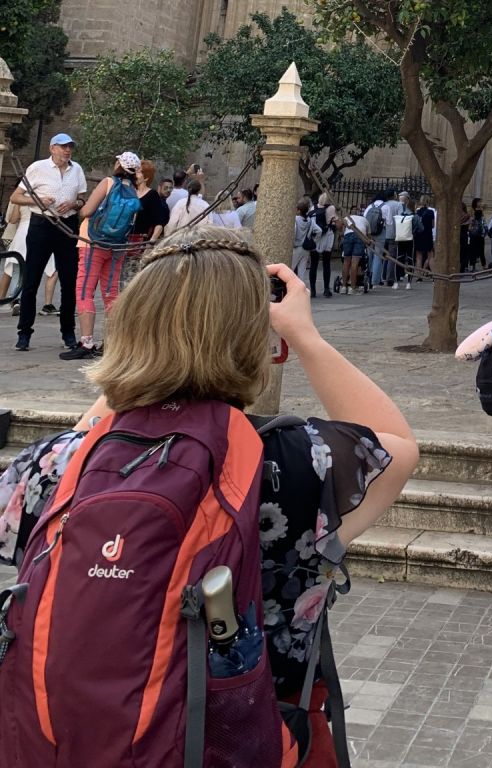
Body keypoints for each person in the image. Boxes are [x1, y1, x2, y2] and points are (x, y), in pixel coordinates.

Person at [0, 225, 419, 765]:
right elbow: (399, 448)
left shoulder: (56, 463)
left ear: (129, 327)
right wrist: (307, 338)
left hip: (66, 744)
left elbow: (91, 439)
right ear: (257, 339)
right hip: (240, 737)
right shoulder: (294, 462)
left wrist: (143, 360)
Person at [63, 150, 144, 361]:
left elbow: (86, 211)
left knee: (84, 291)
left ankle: (87, 342)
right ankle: (113, 343)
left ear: (119, 165)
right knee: (111, 294)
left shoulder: (108, 183)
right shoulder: (134, 191)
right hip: (116, 247)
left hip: (92, 243)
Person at [12, 131, 87, 354]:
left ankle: (68, 332)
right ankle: (24, 332)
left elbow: (83, 198)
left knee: (68, 281)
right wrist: (39, 200)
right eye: (63, 146)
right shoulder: (37, 168)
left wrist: (74, 204)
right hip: (41, 224)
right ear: (52, 148)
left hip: (67, 226)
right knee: (31, 280)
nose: (67, 150)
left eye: (70, 146)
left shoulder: (77, 169)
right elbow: (16, 197)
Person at [132, 160, 170, 250]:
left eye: (138, 172)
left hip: (140, 241)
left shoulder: (152, 195)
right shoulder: (129, 192)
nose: (134, 175)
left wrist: (150, 243)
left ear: (146, 177)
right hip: (122, 239)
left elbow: (159, 223)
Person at [310, 195, 337, 299]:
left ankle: (313, 290)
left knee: (314, 264)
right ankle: (326, 289)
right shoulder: (331, 208)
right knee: (326, 263)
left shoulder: (313, 208)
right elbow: (334, 222)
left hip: (316, 237)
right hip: (327, 236)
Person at [340, 207, 368, 294]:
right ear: (359, 213)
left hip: (348, 236)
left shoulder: (346, 219)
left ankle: (344, 287)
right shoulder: (364, 219)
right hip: (360, 237)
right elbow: (368, 236)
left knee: (346, 261)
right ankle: (352, 288)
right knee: (355, 262)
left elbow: (342, 232)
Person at [292, 197, 316, 283]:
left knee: (290, 269)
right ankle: (301, 290)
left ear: (298, 210)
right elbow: (319, 230)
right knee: (302, 272)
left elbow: (294, 231)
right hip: (306, 248)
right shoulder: (309, 220)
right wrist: (312, 238)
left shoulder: (295, 219)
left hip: (296, 247)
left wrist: (293, 241)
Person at [413, 200, 435, 279]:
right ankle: (434, 275)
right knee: (430, 256)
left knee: (419, 257)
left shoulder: (417, 212)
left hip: (419, 236)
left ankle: (419, 277)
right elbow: (433, 225)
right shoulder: (430, 212)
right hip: (428, 235)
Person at [467, 198, 487, 271]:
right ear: (475, 202)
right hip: (473, 233)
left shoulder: (482, 210)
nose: (480, 203)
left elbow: (483, 221)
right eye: (479, 202)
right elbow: (470, 221)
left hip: (480, 233)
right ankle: (473, 266)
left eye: (480, 202)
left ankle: (484, 265)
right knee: (473, 250)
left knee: (481, 250)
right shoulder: (471, 210)